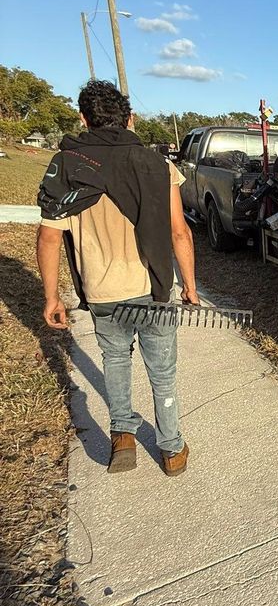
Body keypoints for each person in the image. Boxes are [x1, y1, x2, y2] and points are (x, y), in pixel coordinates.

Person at [36, 80, 199, 476]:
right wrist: (191, 286)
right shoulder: (158, 165)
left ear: (82, 118)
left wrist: (51, 296)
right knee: (162, 370)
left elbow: (48, 235)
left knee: (114, 358)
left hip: (102, 290)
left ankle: (122, 436)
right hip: (152, 286)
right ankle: (172, 449)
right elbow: (180, 231)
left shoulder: (67, 164)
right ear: (130, 117)